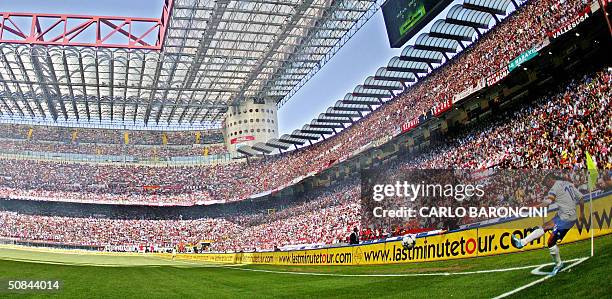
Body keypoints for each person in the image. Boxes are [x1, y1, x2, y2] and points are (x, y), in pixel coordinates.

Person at [511, 173, 585, 275]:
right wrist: (581, 214)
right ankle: (522, 242)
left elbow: (547, 203)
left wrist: (531, 208)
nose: (546, 186)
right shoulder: (568, 183)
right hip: (563, 215)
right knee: (545, 226)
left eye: (546, 183)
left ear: (550, 179)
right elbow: (581, 198)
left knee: (550, 242)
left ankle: (558, 264)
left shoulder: (554, 188)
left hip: (566, 218)